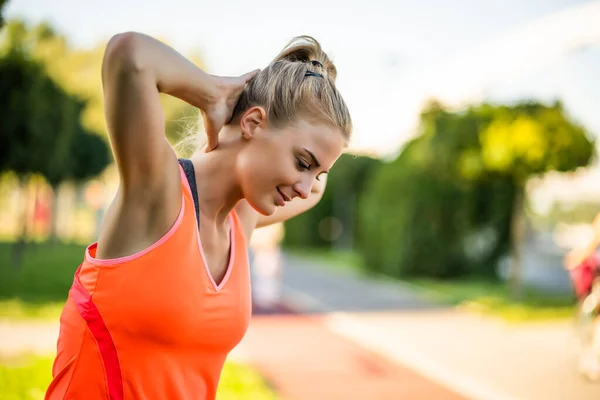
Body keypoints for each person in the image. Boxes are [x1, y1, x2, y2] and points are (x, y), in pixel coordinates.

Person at [45, 32, 351, 400]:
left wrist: (316, 111)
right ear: (253, 123)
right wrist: (213, 94)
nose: (305, 187)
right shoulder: (159, 194)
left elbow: (315, 190)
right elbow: (130, 56)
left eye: (317, 172)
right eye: (303, 162)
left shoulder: (242, 220)